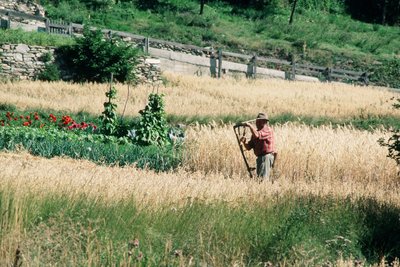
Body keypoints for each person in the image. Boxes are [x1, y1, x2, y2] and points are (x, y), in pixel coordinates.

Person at [240, 112, 276, 181]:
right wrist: (244, 142)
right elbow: (248, 147)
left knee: (262, 179)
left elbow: (257, 135)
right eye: (257, 121)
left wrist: (250, 126)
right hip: (260, 158)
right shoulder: (256, 132)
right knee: (260, 178)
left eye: (259, 121)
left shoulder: (268, 130)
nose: (257, 123)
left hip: (266, 157)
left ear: (264, 122)